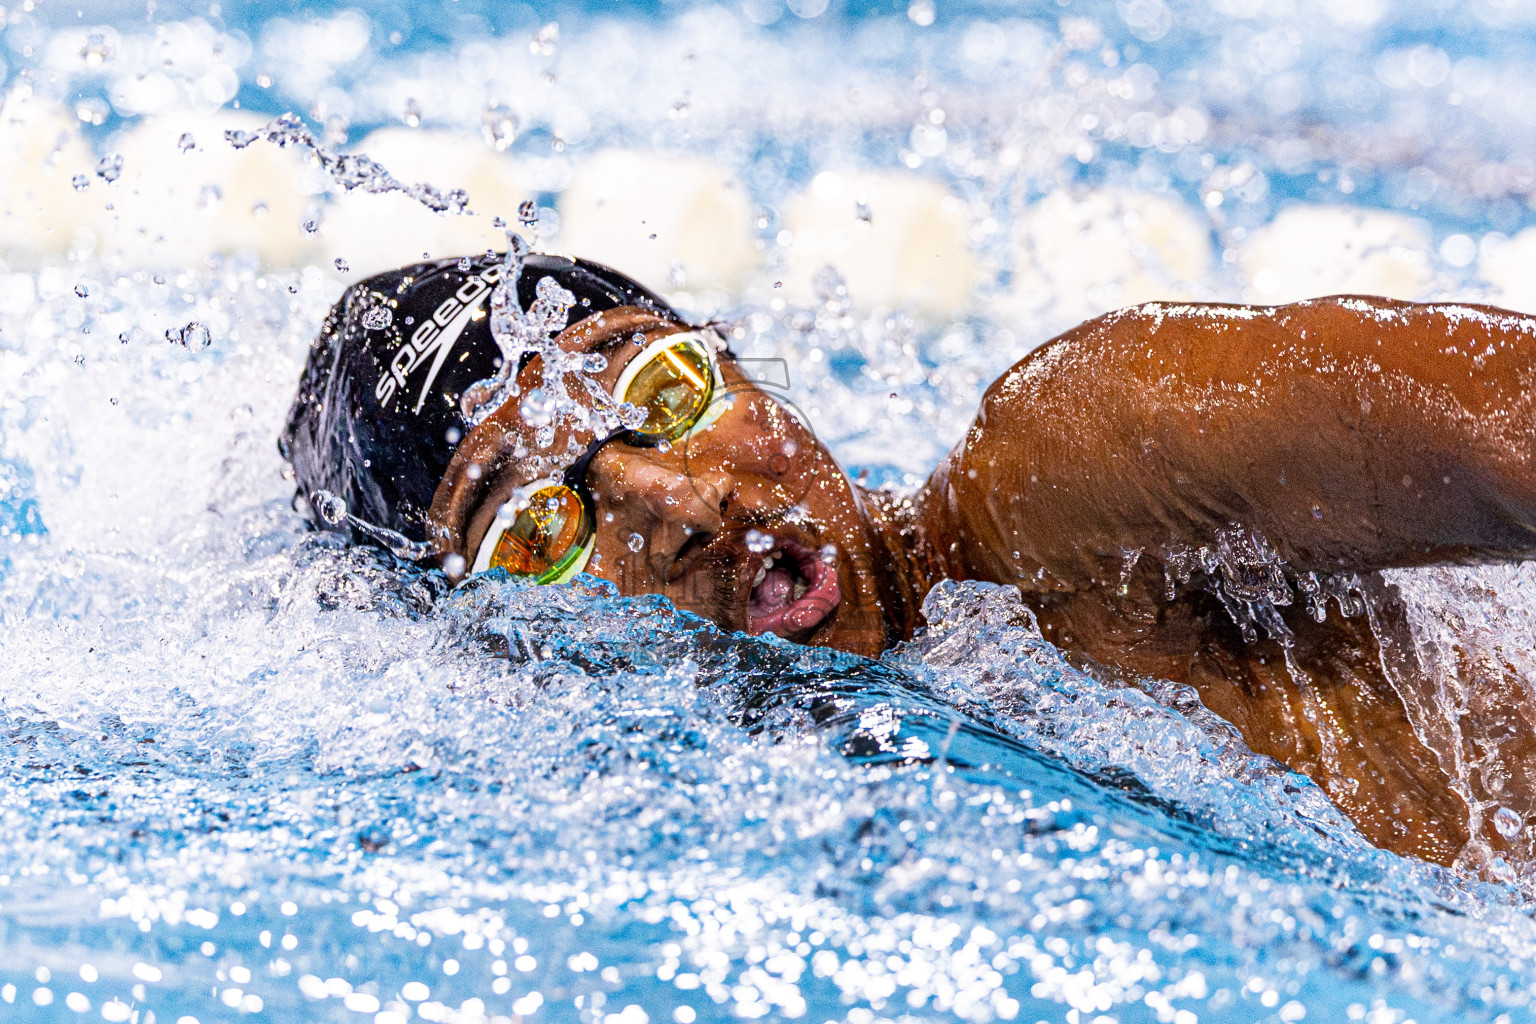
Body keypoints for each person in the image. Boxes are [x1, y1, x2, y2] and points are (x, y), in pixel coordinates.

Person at [282, 251, 1536, 871]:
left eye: (666, 393)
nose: (676, 505)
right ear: (485, 635)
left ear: (741, 361)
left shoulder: (1058, 479)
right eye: (544, 527)